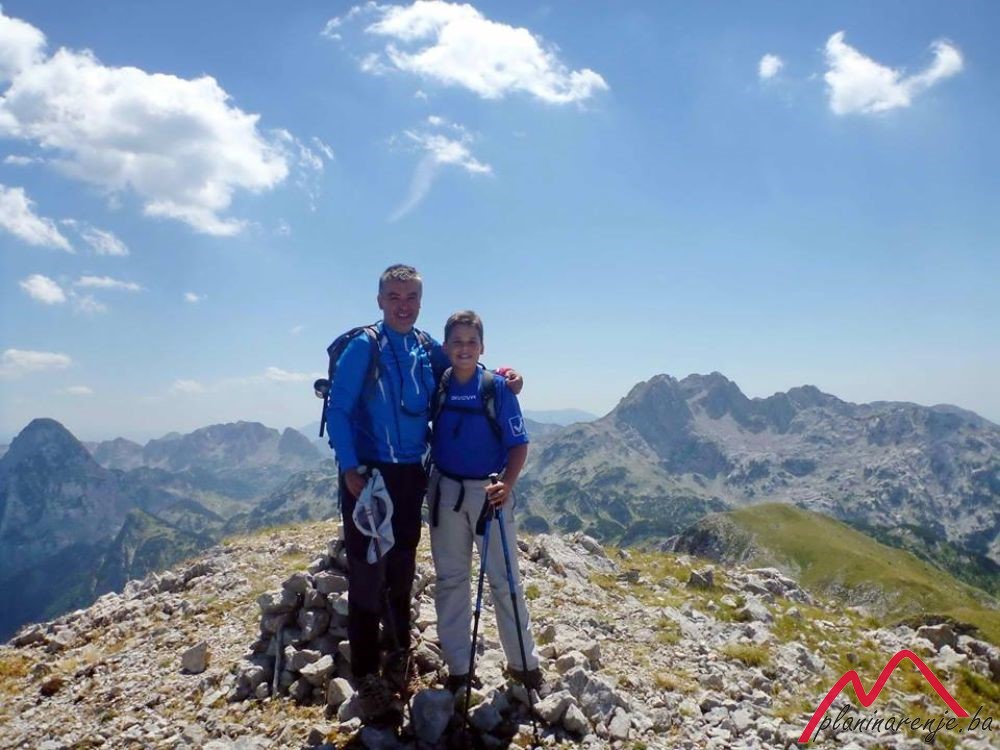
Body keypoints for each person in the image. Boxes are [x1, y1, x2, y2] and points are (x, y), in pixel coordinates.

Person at [325, 265, 522, 722]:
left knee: (402, 567)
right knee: (367, 572)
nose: (403, 305)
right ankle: (368, 676)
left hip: (411, 474)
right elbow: (338, 408)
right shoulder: (364, 346)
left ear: (420, 301)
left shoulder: (423, 346)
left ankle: (398, 656)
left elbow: (464, 369)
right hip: (368, 476)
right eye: (394, 296)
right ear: (379, 300)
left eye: (411, 297)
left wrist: (503, 379)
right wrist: (349, 466)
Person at [427, 310, 542, 695]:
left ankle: (524, 664)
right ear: (446, 347)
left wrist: (507, 484)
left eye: (471, 342)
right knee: (451, 580)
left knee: (504, 580)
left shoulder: (496, 388)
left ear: (482, 347)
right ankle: (458, 667)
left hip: (490, 493)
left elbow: (519, 444)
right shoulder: (440, 383)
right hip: (445, 491)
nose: (464, 348)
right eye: (457, 342)